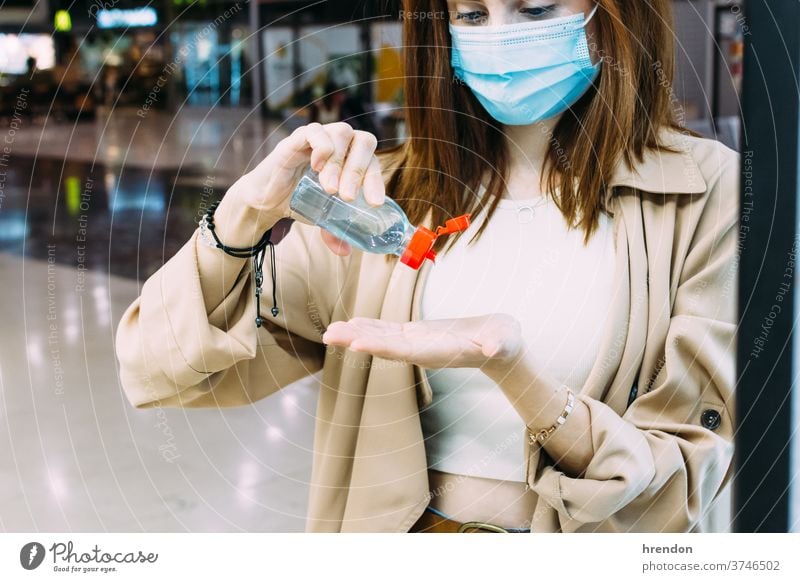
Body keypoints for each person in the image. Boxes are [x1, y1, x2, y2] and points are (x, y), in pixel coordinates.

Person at [115, 0, 739, 533]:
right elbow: (158, 369)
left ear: (611, 18)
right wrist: (246, 212)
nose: (498, 38)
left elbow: (688, 484)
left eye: (536, 10)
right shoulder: (381, 199)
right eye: (471, 13)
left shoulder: (703, 191)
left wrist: (519, 377)